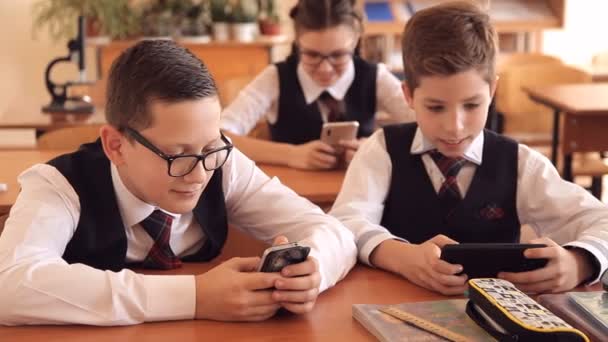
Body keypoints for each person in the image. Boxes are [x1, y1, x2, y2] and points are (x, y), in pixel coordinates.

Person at [0, 40, 357, 325]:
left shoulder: (220, 163)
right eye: (177, 155)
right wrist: (196, 296)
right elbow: (9, 284)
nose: (200, 174)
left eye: (210, 147)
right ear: (116, 145)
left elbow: (333, 231)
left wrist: (315, 271)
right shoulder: (59, 185)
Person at [330, 1, 608, 296]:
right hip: (388, 314)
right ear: (409, 95)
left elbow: (600, 220)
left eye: (472, 105)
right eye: (436, 107)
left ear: (492, 91)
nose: (455, 127)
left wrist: (580, 261)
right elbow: (345, 222)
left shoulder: (520, 164)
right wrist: (401, 257)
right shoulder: (382, 150)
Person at [220, 0, 414, 170]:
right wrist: (291, 154)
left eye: (338, 55)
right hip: (292, 194)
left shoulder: (375, 76)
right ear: (298, 44)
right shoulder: (276, 77)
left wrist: (376, 147)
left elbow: (425, 124)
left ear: (355, 42)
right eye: (312, 55)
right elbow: (218, 137)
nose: (325, 69)